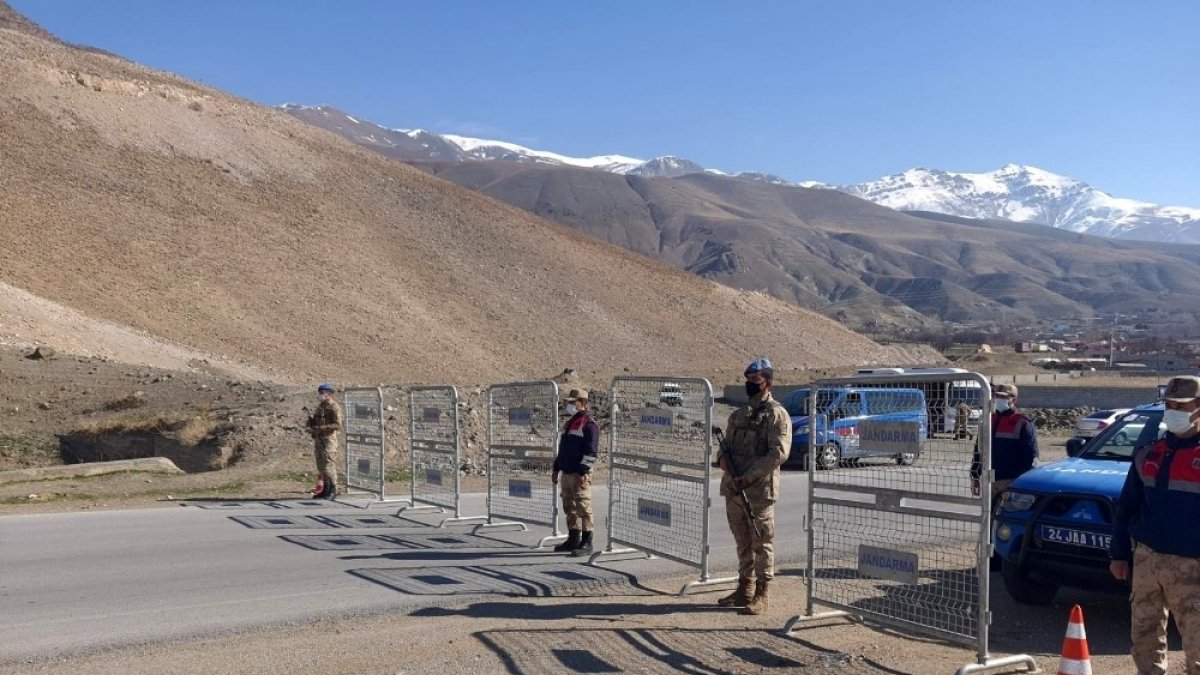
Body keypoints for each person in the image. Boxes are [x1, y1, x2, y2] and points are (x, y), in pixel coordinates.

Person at [1110, 375, 1200, 675]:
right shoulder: (1149, 453)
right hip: (1147, 560)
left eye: (1182, 406)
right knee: (1145, 639)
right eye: (1169, 405)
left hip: (1192, 565)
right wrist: (1119, 554)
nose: (1173, 410)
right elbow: (1127, 506)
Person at [716, 358, 792, 615]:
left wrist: (748, 477)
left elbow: (778, 453)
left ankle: (762, 593)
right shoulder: (739, 414)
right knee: (742, 540)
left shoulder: (776, 414)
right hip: (734, 488)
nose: (750, 385)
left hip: (758, 490)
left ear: (767, 383)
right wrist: (722, 459)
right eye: (747, 380)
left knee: (762, 542)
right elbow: (725, 446)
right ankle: (744, 588)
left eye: (755, 381)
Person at [970, 383, 1038, 501]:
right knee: (989, 518)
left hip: (1011, 482)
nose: (999, 400)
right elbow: (979, 450)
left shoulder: (1023, 422)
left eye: (1004, 397)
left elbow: (1031, 458)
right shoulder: (988, 419)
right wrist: (975, 476)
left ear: (1014, 400)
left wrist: (1022, 486)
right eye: (997, 396)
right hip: (989, 481)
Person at [552, 388, 599, 556]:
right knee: (569, 507)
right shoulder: (570, 423)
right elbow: (563, 449)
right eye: (569, 402)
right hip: (566, 472)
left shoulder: (589, 424)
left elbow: (591, 452)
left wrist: (583, 471)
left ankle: (587, 542)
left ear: (583, 403)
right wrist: (557, 467)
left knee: (583, 507)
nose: (570, 405)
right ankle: (573, 538)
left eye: (573, 402)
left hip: (579, 474)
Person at [306, 383, 342, 499]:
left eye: (322, 393)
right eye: (320, 393)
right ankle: (325, 489)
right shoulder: (320, 406)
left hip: (328, 440)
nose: (320, 395)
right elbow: (316, 421)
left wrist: (321, 428)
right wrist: (311, 424)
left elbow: (337, 425)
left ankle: (333, 489)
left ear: (329, 394)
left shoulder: (334, 407)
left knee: (328, 466)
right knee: (321, 466)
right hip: (319, 440)